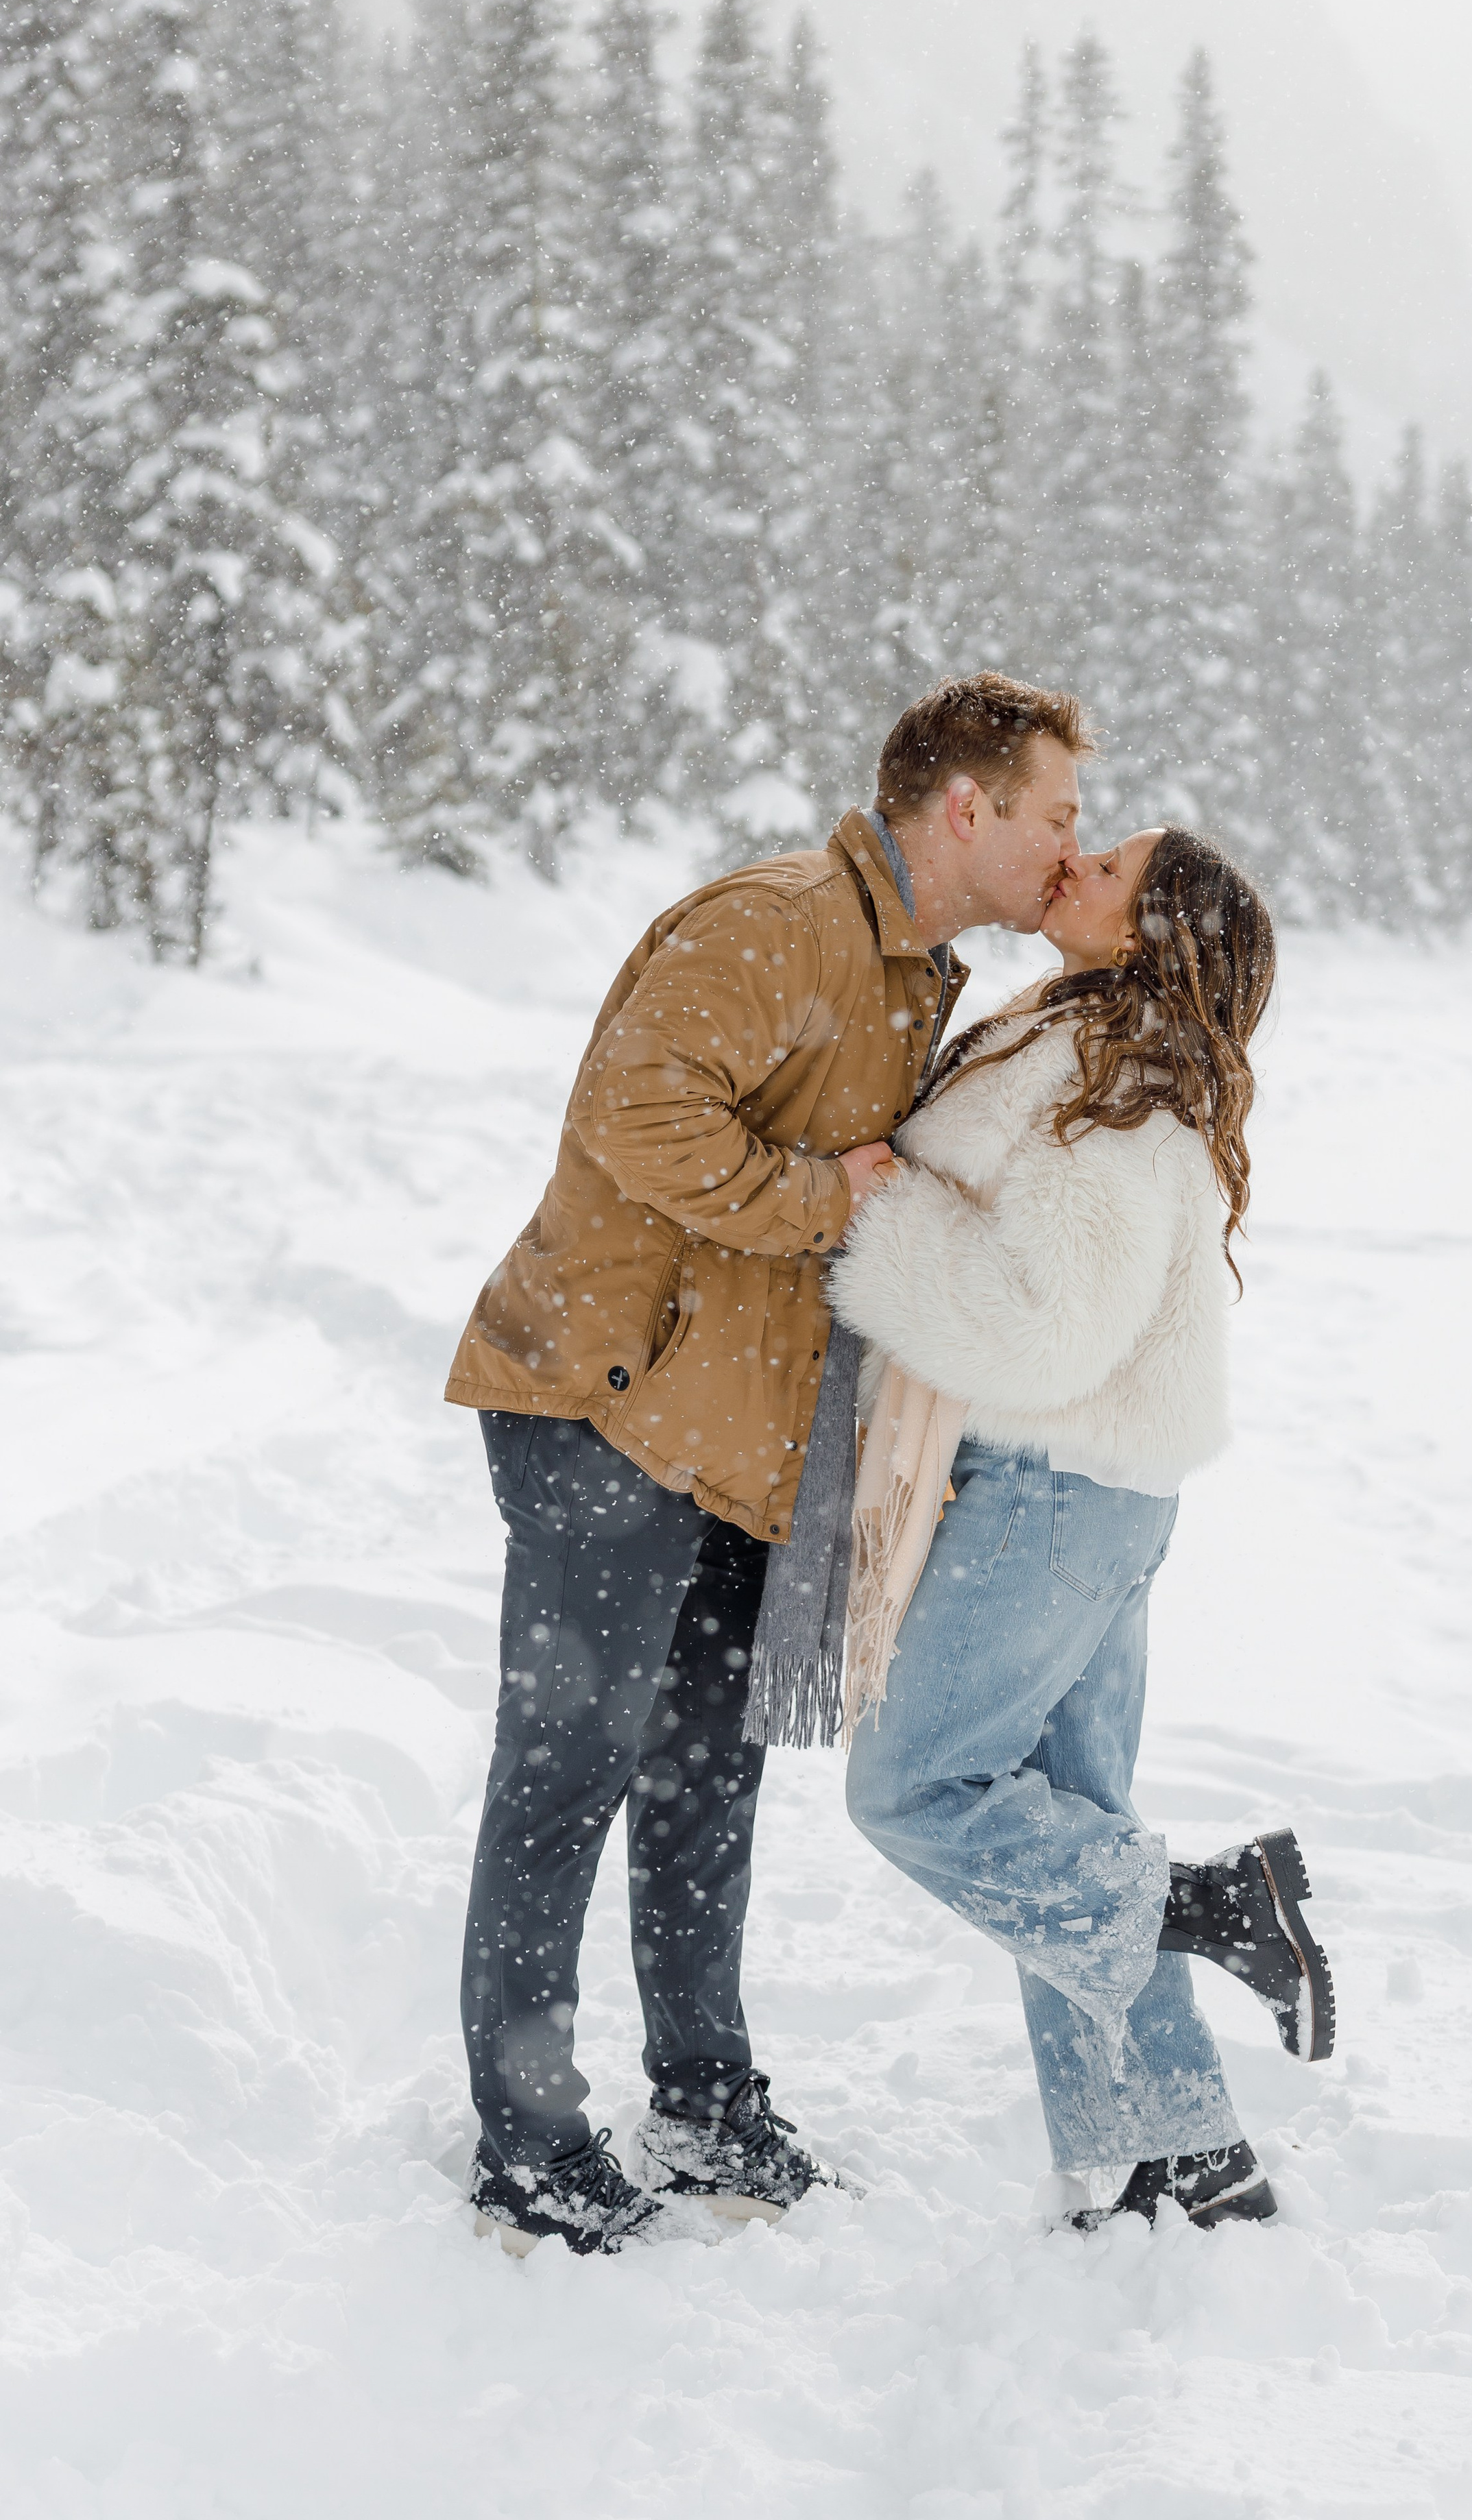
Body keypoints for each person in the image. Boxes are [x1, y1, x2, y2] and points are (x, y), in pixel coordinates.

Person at [444, 672, 1089, 2256]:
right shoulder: (781, 922)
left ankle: (705, 2104)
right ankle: (526, 2147)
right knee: (566, 1779)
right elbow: (636, 1113)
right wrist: (824, 1199)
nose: (1070, 848)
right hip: (607, 1411)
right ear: (965, 807)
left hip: (732, 1439)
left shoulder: (912, 970)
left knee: (701, 1782)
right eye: (1055, 814)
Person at [832, 822, 1336, 2235]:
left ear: (1148, 934)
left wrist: (884, 1210)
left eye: (1110, 868)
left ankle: (1213, 1906)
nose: (1078, 864)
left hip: (1048, 1486)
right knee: (1064, 1827)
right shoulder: (1088, 1044)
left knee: (916, 1790)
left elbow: (1045, 1329)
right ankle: (1186, 2155)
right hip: (1091, 1494)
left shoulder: (1107, 1089)